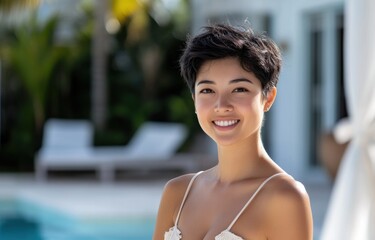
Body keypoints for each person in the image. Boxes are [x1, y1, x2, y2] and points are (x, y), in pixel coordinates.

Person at [153, 23, 313, 240]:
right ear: (194, 99)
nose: (221, 105)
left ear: (268, 98)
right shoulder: (177, 193)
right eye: (207, 90)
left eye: (239, 89)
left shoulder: (284, 197)